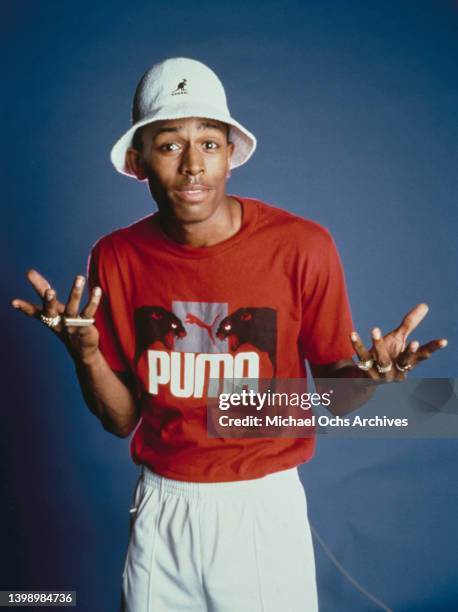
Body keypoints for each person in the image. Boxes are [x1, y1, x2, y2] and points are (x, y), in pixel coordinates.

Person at [11, 57, 447, 612]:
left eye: (210, 144)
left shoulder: (302, 246)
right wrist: (86, 355)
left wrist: (375, 380)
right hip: (161, 506)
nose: (193, 166)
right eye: (170, 145)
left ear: (229, 157)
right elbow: (121, 420)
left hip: (261, 508)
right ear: (140, 161)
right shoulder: (116, 256)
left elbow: (339, 400)